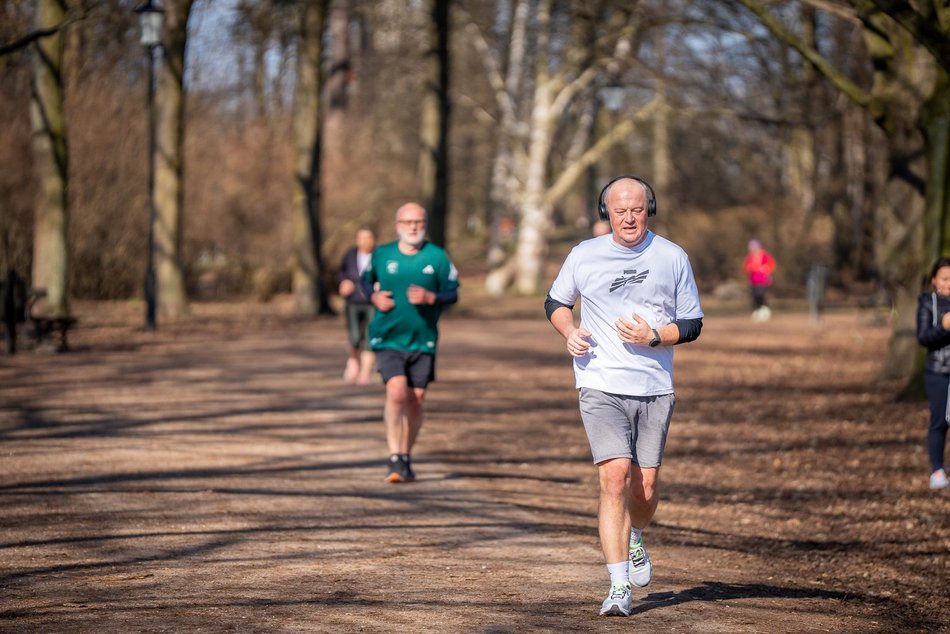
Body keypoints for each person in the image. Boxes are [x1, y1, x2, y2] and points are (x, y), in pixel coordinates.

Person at [545, 175, 703, 617]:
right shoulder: (584, 254)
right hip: (599, 381)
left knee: (644, 488)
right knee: (614, 478)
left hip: (653, 386)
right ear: (607, 213)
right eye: (620, 211)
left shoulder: (672, 256)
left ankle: (635, 535)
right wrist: (569, 331)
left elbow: (692, 323)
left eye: (637, 209)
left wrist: (654, 336)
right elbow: (556, 302)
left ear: (649, 209)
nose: (629, 218)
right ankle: (618, 586)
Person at [361, 203, 459, 483]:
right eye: (407, 222)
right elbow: (365, 282)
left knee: (416, 400)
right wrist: (373, 297)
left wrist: (431, 298)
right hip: (387, 336)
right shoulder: (382, 254)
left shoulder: (437, 257)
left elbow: (453, 293)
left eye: (419, 222)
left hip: (423, 339)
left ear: (425, 224)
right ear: (397, 225)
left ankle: (405, 455)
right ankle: (394, 456)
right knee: (396, 392)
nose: (413, 227)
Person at [916, 256, 950, 490]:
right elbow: (923, 337)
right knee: (940, 420)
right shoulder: (928, 303)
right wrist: (943, 327)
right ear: (934, 280)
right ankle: (937, 470)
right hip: (938, 371)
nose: (949, 284)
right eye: (945, 279)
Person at [338, 226, 377, 385]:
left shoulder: (379, 256)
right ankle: (353, 361)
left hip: (373, 302)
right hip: (353, 302)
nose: (365, 241)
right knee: (354, 336)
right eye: (362, 238)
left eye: (368, 237)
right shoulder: (349, 255)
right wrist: (343, 282)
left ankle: (365, 371)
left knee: (370, 338)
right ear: (356, 240)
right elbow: (341, 273)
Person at [743, 239, 776, 321]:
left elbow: (771, 265)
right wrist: (750, 268)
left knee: (760, 295)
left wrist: (765, 270)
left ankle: (764, 309)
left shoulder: (764, 255)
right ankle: (757, 310)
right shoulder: (749, 257)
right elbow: (746, 267)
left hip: (762, 280)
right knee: (754, 296)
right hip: (753, 280)